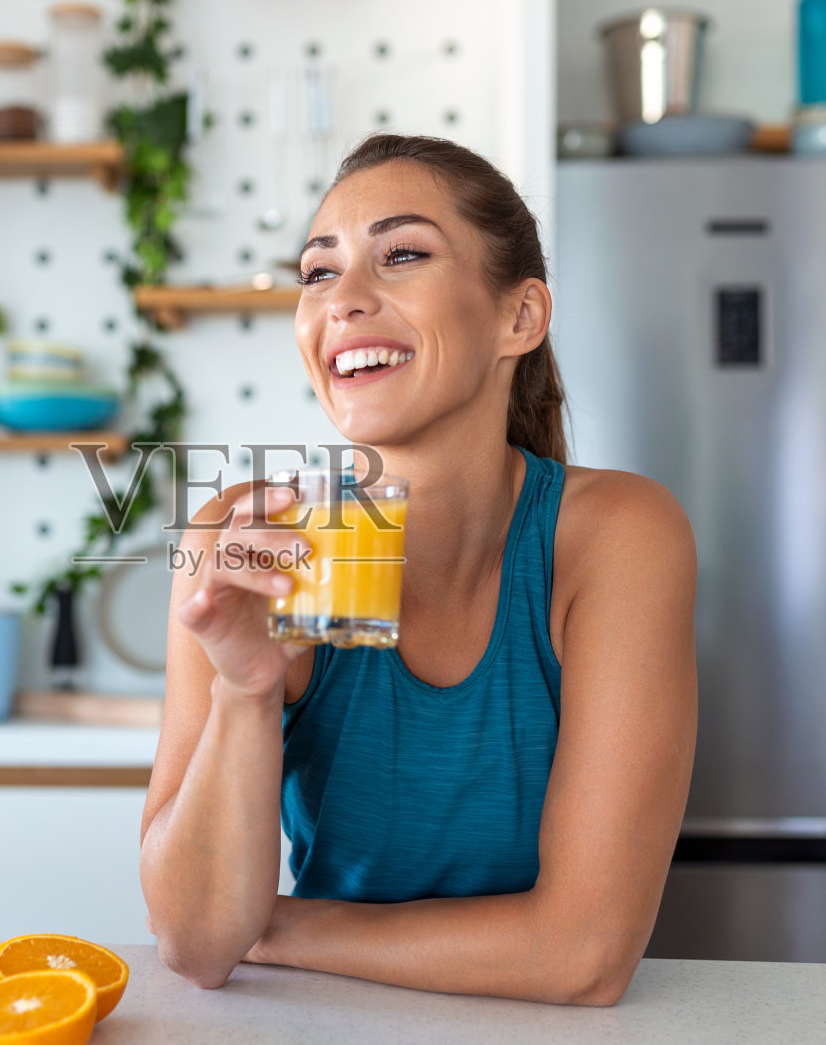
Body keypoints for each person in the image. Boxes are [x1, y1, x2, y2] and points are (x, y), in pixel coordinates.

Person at [139, 134, 697, 1006]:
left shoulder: (618, 536)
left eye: (401, 255)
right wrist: (245, 689)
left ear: (519, 316)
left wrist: (274, 924)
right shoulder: (243, 544)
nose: (344, 300)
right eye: (318, 272)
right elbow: (198, 940)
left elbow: (584, 954)